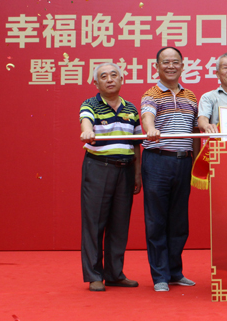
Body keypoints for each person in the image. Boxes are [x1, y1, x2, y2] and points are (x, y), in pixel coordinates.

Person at [141, 47, 200, 292]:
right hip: (157, 161)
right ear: (157, 66)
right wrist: (151, 129)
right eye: (165, 62)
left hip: (183, 162)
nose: (171, 66)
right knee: (156, 220)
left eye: (175, 62)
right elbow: (147, 117)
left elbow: (195, 132)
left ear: (182, 66)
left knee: (178, 221)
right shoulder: (151, 94)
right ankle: (160, 276)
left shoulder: (191, 96)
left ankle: (175, 272)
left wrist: (196, 162)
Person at [79, 62, 141, 292]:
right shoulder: (90, 104)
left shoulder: (131, 109)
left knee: (119, 223)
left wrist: (137, 173)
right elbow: (86, 121)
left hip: (125, 169)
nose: (109, 79)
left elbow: (136, 144)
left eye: (114, 75)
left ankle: (114, 274)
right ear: (96, 83)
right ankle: (94, 275)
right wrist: (87, 131)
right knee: (94, 222)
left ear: (122, 79)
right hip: (98, 168)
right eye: (103, 76)